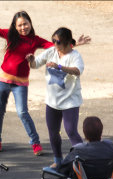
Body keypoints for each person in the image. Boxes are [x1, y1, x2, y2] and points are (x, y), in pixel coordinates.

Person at [0, 8, 90, 155]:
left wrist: (74, 44)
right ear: (15, 26)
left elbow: (57, 47)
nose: (23, 28)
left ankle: (35, 143)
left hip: (20, 84)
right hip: (3, 80)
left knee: (23, 113)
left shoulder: (35, 40)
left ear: (30, 24)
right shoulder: (10, 35)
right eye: (19, 25)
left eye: (25, 24)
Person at [26, 27, 86, 168]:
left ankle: (84, 159)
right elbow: (35, 65)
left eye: (57, 42)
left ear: (66, 43)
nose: (54, 44)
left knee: (71, 131)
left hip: (70, 101)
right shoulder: (51, 52)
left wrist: (60, 67)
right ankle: (58, 160)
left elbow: (77, 71)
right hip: (52, 102)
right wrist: (31, 60)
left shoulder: (75, 56)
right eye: (53, 40)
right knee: (53, 133)